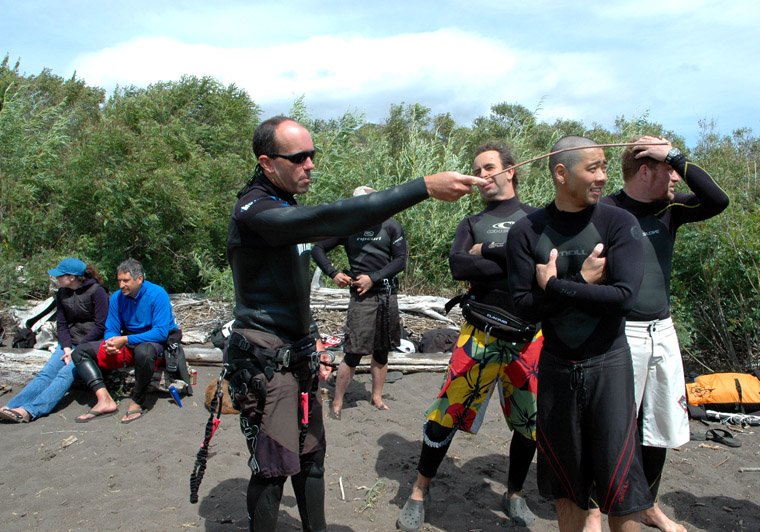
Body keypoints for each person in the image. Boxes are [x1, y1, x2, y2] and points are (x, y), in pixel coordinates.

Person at [225, 115, 486, 532]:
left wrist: (310, 345)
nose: (310, 164)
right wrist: (421, 188)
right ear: (267, 162)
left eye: (312, 154)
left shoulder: (285, 204)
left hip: (298, 354)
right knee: (273, 469)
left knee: (311, 461)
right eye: (298, 157)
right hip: (264, 360)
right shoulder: (254, 212)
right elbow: (333, 220)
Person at [582, 136, 728, 532]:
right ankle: (595, 508)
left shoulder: (671, 210)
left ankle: (646, 504)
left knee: (658, 424)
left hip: (661, 330)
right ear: (646, 170)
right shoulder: (604, 210)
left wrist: (676, 157)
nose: (677, 178)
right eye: (669, 170)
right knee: (612, 426)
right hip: (617, 331)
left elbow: (718, 200)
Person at [506, 136, 651, 532]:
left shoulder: (619, 223)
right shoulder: (526, 231)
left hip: (609, 364)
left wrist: (555, 286)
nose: (603, 176)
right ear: (561, 173)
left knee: (621, 483)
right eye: (594, 168)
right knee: (565, 482)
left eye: (605, 167)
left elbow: (623, 298)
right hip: (556, 366)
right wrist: (584, 283)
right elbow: (523, 308)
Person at [397, 141, 544, 531]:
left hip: (529, 336)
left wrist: (490, 251)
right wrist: (513, 260)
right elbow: (459, 264)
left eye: (489, 168)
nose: (482, 177)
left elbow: (541, 267)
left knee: (530, 422)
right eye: (477, 170)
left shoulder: (538, 218)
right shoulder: (471, 222)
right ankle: (419, 490)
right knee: (445, 414)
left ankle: (513, 493)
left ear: (510, 170)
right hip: (478, 331)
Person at [311, 185, 406, 417]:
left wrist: (373, 278)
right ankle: (338, 401)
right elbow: (318, 249)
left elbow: (400, 260)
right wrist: (333, 273)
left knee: (382, 351)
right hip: (361, 298)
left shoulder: (391, 225)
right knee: (353, 351)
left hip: (386, 295)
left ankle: (376, 397)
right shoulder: (348, 227)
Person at [71, 258, 179, 424]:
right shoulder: (117, 298)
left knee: (144, 351)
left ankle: (137, 400)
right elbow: (112, 328)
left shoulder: (157, 294)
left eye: (126, 281)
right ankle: (104, 399)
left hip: (153, 343)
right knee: (80, 352)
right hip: (127, 342)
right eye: (119, 280)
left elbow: (160, 333)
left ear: (139, 279)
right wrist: (111, 343)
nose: (121, 285)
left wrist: (125, 339)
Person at [0, 258, 108, 423]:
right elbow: (62, 324)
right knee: (46, 373)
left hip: (90, 344)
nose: (56, 278)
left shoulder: (97, 291)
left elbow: (101, 326)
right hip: (69, 343)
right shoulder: (61, 293)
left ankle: (31, 410)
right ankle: (13, 405)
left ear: (72, 277)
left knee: (65, 374)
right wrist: (66, 348)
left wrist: (77, 350)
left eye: (59, 275)